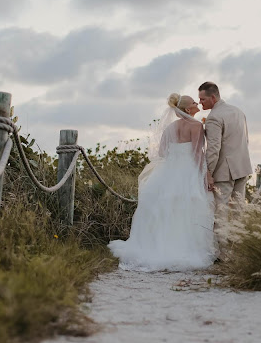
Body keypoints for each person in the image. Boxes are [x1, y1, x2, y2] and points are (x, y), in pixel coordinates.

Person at [108, 93, 216, 271]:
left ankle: (159, 246)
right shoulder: (196, 126)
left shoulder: (170, 128)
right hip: (189, 170)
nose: (197, 104)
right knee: (187, 209)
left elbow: (162, 154)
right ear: (188, 109)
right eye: (194, 102)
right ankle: (182, 248)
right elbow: (198, 153)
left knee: (166, 210)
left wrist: (176, 157)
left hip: (169, 172)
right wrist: (204, 174)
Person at [198, 81, 252, 253]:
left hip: (224, 171)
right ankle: (240, 250)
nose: (200, 103)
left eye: (203, 99)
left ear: (213, 97)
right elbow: (246, 140)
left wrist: (208, 173)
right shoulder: (238, 111)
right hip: (242, 166)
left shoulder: (214, 117)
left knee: (220, 212)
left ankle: (224, 254)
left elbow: (213, 149)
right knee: (239, 210)